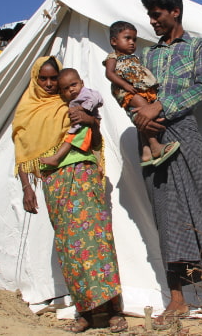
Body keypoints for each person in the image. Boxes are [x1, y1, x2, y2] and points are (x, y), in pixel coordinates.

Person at [134, 0, 202, 330]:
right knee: (166, 214)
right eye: (149, 15)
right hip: (150, 138)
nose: (152, 21)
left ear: (174, 11)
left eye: (156, 14)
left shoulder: (198, 47)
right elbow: (131, 91)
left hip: (184, 133)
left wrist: (161, 105)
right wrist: (140, 112)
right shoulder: (146, 55)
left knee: (201, 205)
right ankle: (177, 299)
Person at [12, 56, 127, 333]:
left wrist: (91, 121)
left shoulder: (77, 104)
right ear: (35, 79)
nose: (50, 84)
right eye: (45, 79)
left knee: (99, 242)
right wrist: (27, 187)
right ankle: (85, 312)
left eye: (55, 79)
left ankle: (113, 310)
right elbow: (23, 150)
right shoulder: (28, 110)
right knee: (70, 248)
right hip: (54, 183)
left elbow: (95, 142)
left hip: (84, 177)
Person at [104, 20, 180, 167]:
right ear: (114, 41)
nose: (132, 42)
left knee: (141, 117)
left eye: (134, 39)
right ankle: (155, 146)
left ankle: (146, 152)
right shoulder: (113, 57)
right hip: (128, 92)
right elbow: (109, 74)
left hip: (137, 91)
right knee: (145, 115)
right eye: (127, 38)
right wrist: (125, 85)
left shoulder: (133, 57)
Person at [39, 68, 103, 169]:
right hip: (55, 174)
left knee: (73, 136)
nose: (71, 89)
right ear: (62, 91)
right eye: (66, 88)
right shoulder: (63, 104)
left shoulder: (85, 94)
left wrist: (88, 117)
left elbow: (97, 99)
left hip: (83, 165)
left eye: (74, 85)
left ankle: (57, 157)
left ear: (82, 83)